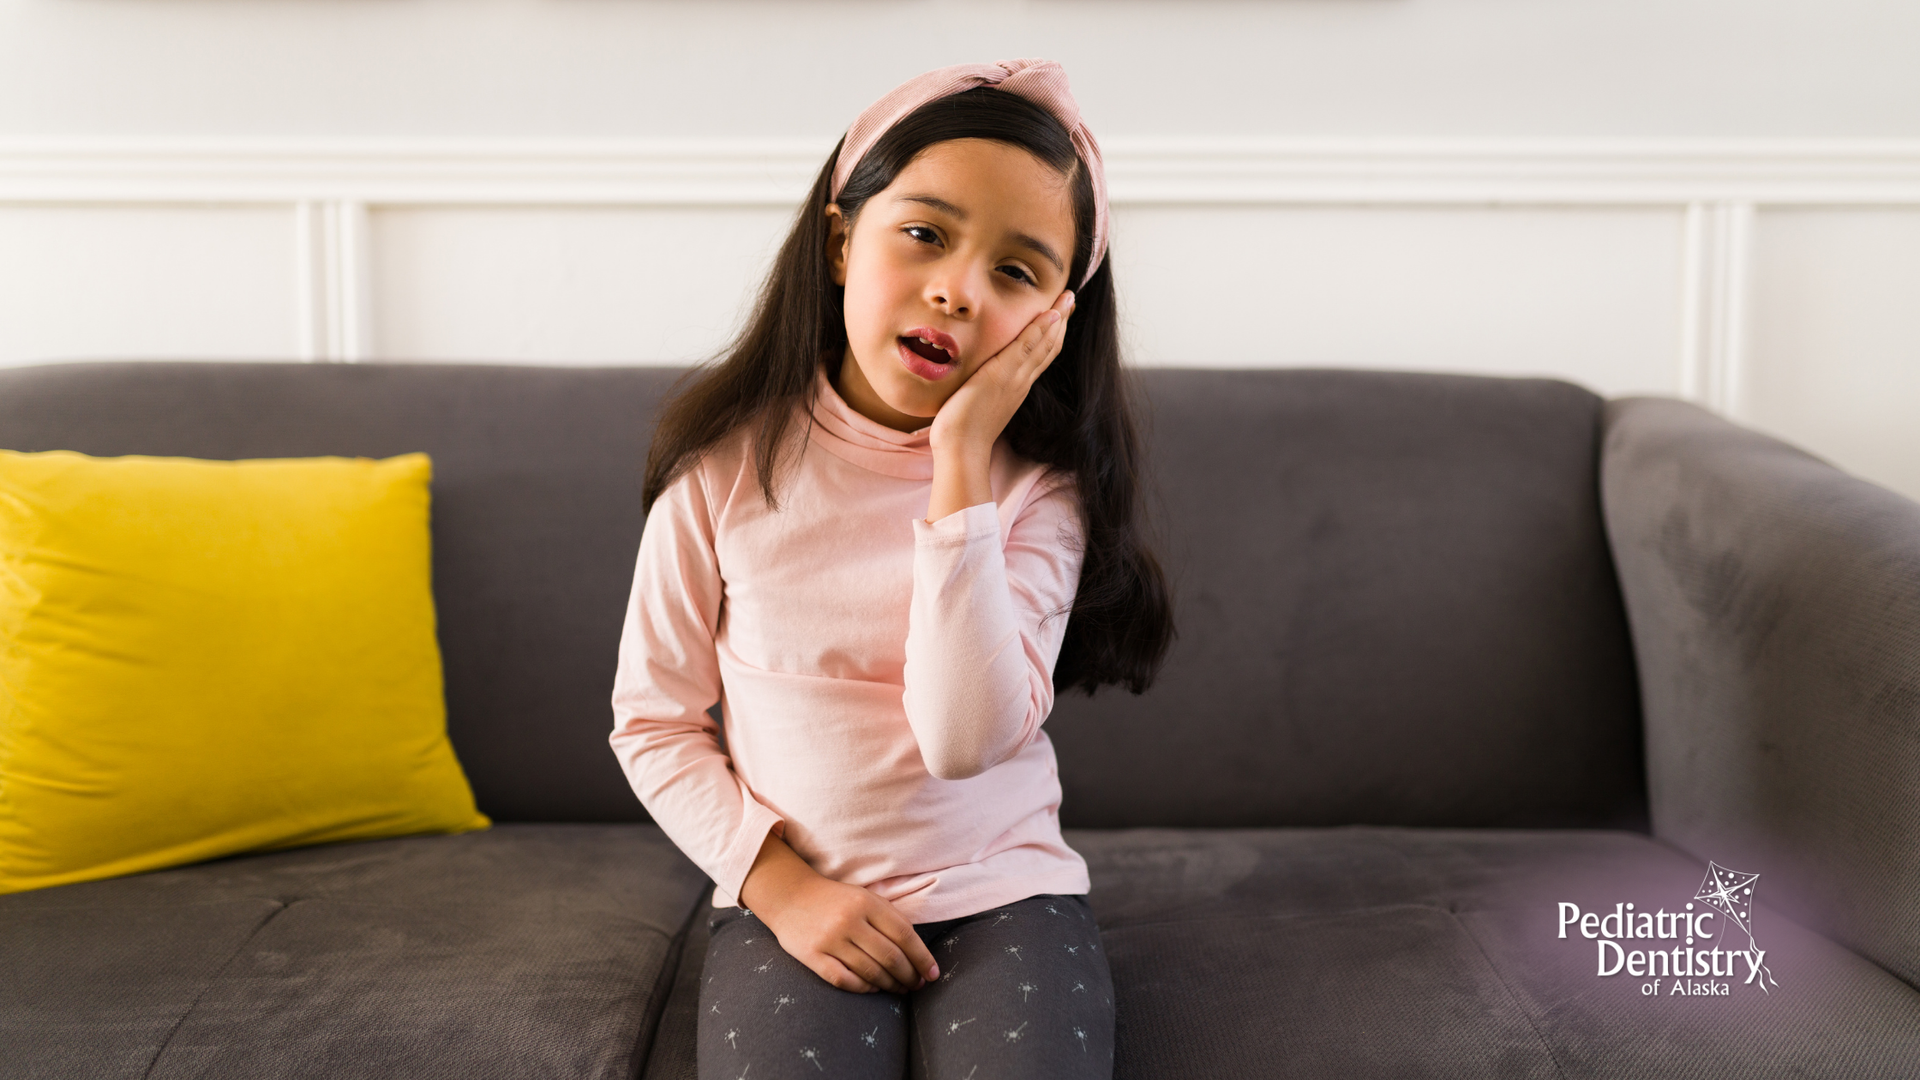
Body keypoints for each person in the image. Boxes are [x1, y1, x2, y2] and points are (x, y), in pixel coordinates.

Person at [609, 58, 1174, 1080]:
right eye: (925, 233)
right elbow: (653, 723)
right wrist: (782, 889)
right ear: (839, 239)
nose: (957, 289)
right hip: (798, 898)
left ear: (1055, 323)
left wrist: (959, 468)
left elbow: (965, 743)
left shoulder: (1038, 494)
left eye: (1016, 271)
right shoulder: (723, 470)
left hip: (1008, 892)